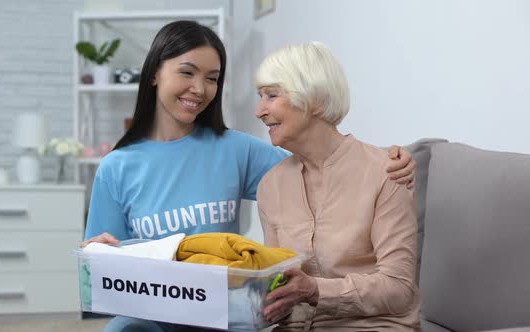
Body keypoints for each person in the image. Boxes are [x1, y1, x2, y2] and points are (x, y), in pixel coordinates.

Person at [81, 21, 416, 332]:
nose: (199, 89)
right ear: (154, 73)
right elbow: (103, 276)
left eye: (212, 78)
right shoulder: (116, 167)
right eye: (187, 72)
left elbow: (323, 161)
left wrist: (395, 159)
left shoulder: (239, 151)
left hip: (223, 313)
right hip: (155, 312)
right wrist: (98, 254)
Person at [255, 42, 420, 331]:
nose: (260, 111)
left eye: (271, 95)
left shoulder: (386, 172)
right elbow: (276, 284)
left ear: (315, 99)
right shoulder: (271, 186)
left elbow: (398, 288)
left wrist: (316, 290)